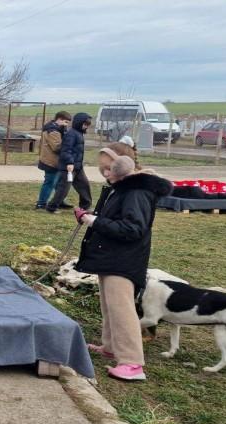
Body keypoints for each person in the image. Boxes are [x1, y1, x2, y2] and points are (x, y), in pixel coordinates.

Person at [75, 143, 172, 381]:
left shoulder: (136, 191)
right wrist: (93, 218)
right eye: (102, 169)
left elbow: (133, 228)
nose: (106, 174)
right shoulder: (120, 188)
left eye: (109, 168)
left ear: (124, 165)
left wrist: (93, 222)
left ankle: (132, 362)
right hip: (109, 256)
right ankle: (110, 346)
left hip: (123, 259)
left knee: (122, 309)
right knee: (109, 304)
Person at [46, 112, 92, 212]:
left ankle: (85, 207)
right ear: (79, 123)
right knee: (63, 189)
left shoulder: (79, 133)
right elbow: (66, 151)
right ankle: (51, 207)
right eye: (85, 124)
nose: (86, 127)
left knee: (84, 186)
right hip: (69, 168)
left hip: (78, 167)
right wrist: (70, 163)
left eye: (87, 125)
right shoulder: (71, 135)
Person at [35, 111, 72, 210]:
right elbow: (57, 147)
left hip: (54, 161)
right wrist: (68, 145)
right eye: (65, 122)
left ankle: (58, 201)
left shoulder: (57, 129)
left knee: (58, 183)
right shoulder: (53, 131)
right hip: (51, 161)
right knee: (50, 182)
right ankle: (41, 203)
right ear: (59, 119)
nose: (66, 124)